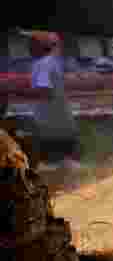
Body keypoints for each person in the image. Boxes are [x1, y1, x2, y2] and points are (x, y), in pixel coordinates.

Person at [28, 31, 80, 169]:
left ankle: (56, 163)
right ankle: (58, 163)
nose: (60, 48)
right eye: (56, 45)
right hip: (52, 112)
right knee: (59, 140)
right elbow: (43, 87)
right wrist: (55, 103)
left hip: (48, 113)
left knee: (55, 143)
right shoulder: (47, 63)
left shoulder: (42, 63)